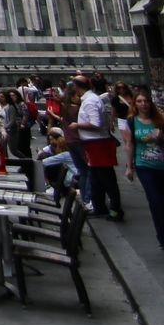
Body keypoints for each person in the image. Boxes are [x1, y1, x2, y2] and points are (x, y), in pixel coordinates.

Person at [69, 74, 122, 220]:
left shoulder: (90, 101)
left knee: (106, 178)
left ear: (77, 87)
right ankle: (99, 207)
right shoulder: (89, 99)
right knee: (97, 179)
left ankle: (116, 210)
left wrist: (77, 125)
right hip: (93, 144)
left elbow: (96, 123)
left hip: (98, 144)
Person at [129, 91, 164, 250]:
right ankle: (162, 236)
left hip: (161, 164)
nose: (143, 104)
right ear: (135, 104)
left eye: (146, 101)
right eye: (140, 101)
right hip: (144, 165)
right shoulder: (132, 121)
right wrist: (129, 167)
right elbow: (129, 144)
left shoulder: (159, 120)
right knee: (155, 200)